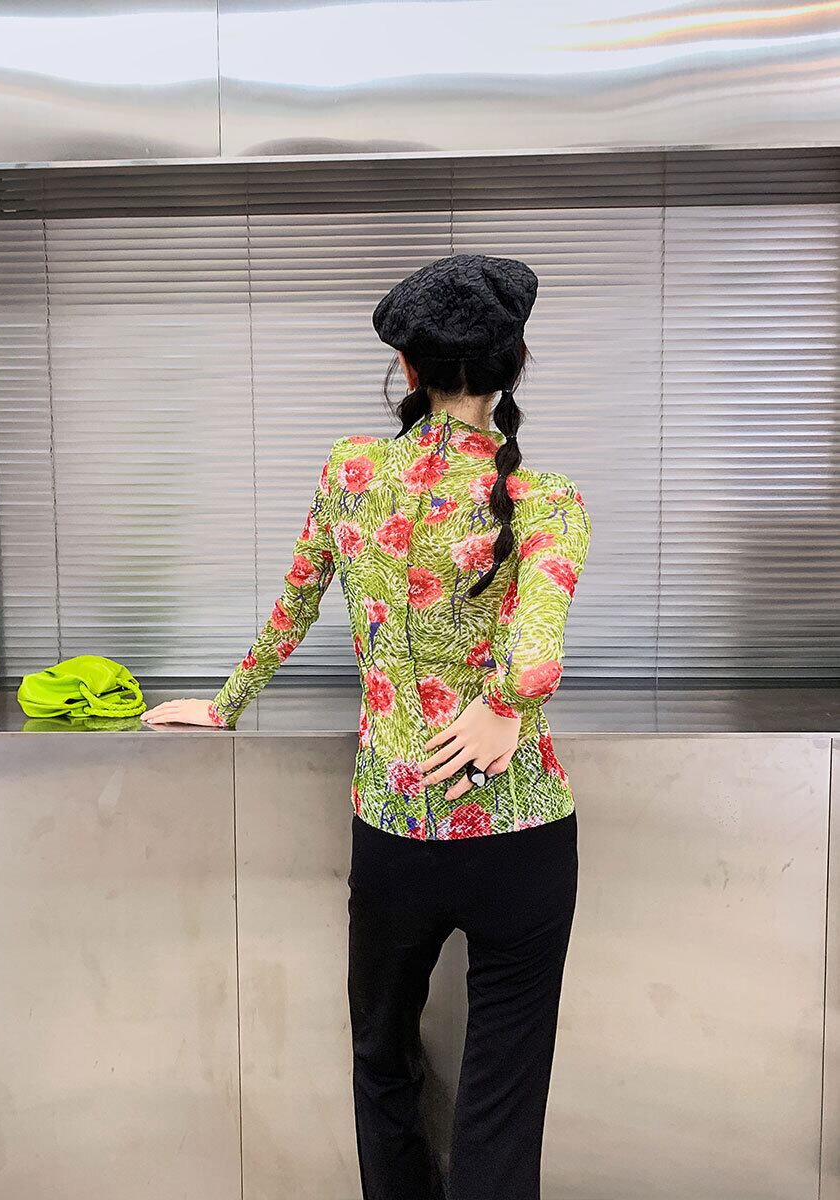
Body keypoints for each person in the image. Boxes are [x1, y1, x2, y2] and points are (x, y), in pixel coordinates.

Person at [142, 253, 592, 1200]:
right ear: (513, 365)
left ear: (409, 368)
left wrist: (224, 704)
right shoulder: (547, 496)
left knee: (383, 1063)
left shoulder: (352, 471)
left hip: (393, 834)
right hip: (522, 839)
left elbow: (296, 601)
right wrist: (506, 706)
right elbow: (538, 655)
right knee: (504, 1096)